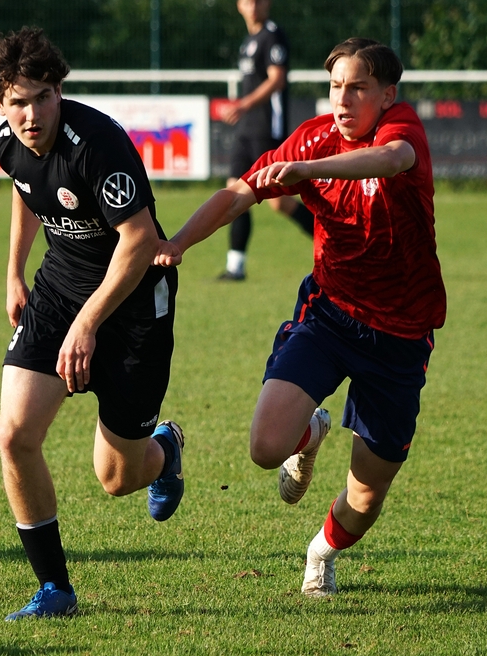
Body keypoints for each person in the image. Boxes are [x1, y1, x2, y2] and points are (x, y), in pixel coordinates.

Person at [154, 38, 446, 596]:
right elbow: (239, 194)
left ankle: (321, 551)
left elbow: (391, 160)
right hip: (331, 315)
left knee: (366, 498)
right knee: (266, 447)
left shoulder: (400, 129)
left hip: (400, 334)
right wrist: (179, 243)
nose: (343, 99)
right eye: (335, 86)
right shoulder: (311, 136)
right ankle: (310, 431)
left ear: (387, 95)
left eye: (357, 88)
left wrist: (306, 169)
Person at [0, 26, 185, 620]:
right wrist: (14, 272)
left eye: (43, 98)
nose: (31, 115)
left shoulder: (97, 144)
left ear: (59, 92)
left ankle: (164, 450)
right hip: (59, 291)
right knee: (14, 435)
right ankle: (55, 589)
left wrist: (88, 324)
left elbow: (139, 240)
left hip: (134, 305)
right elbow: (26, 188)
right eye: (18, 102)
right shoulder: (7, 142)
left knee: (116, 478)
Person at [218, 0, 314, 281]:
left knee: (278, 202)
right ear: (239, 5)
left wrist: (243, 104)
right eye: (247, 0)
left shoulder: (273, 35)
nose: (252, 6)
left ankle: (337, 242)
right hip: (246, 131)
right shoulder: (248, 41)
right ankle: (235, 266)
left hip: (266, 129)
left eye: (258, 0)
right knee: (233, 193)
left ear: (267, 2)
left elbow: (277, 79)